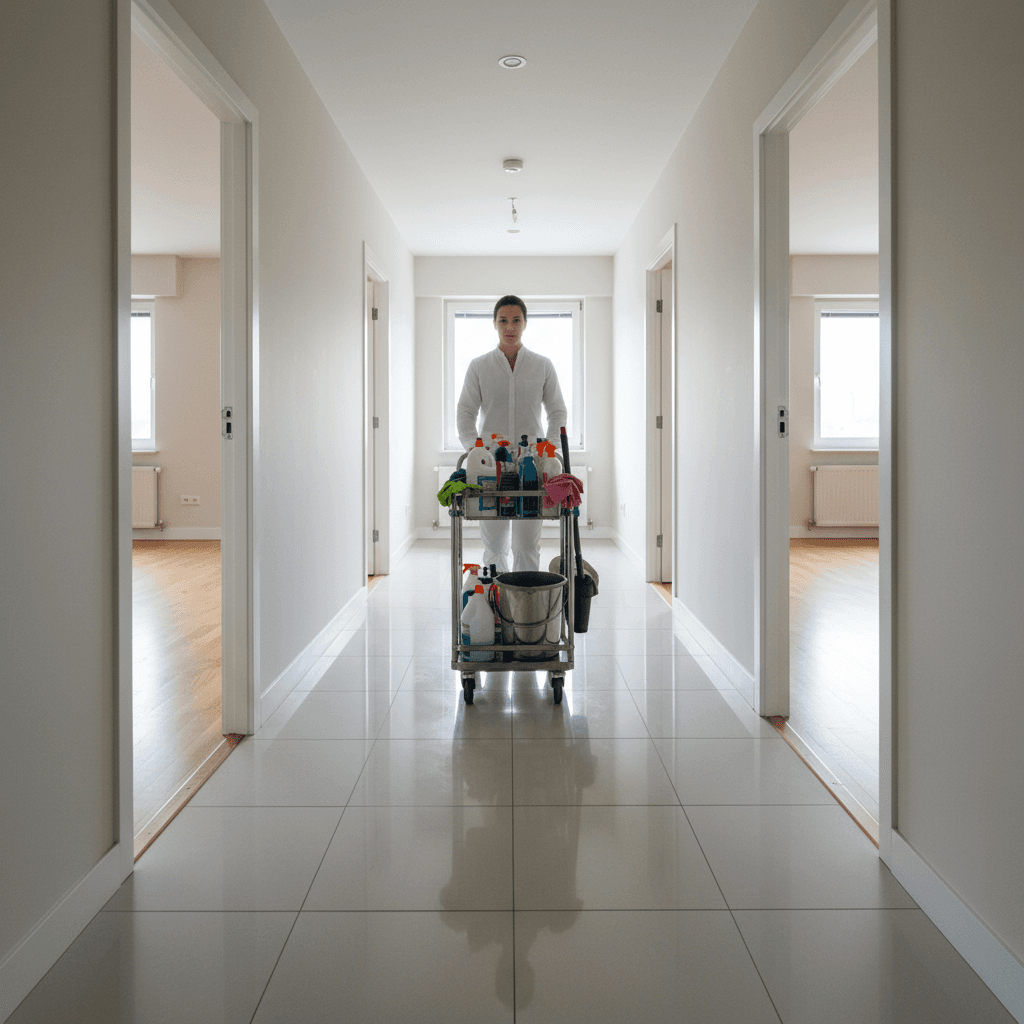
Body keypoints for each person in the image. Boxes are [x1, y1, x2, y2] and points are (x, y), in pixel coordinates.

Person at [457, 295, 567, 573]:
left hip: (532, 467)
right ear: (494, 324)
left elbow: (557, 411)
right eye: (503, 320)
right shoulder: (479, 366)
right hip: (489, 467)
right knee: (494, 545)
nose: (510, 327)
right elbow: (465, 412)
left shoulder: (542, 365)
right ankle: (498, 606)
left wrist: (550, 448)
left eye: (516, 320)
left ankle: (525, 605)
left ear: (525, 323)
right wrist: (474, 450)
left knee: (528, 544)